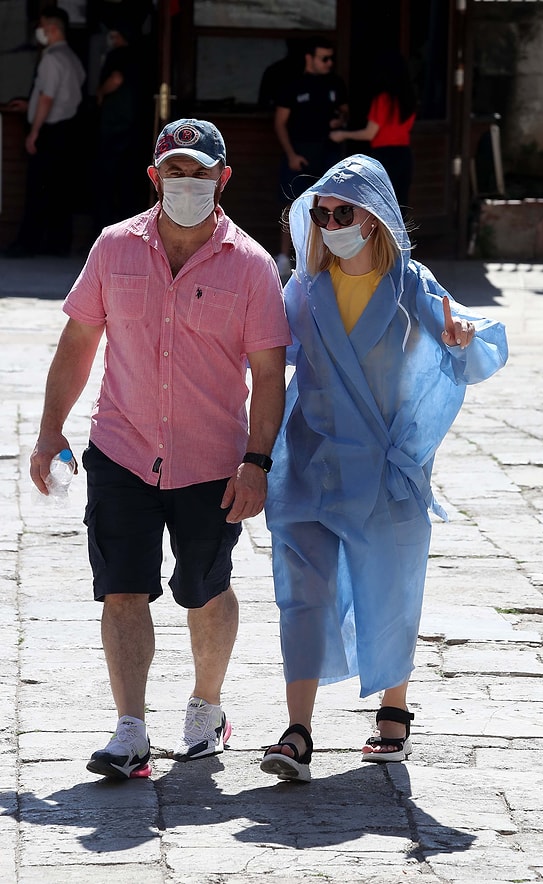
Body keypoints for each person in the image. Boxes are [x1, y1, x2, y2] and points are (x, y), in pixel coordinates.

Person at [30, 118, 291, 780]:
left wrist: (257, 463)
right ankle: (130, 731)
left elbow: (268, 374)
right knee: (122, 590)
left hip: (212, 462)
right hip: (122, 450)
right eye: (174, 170)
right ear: (154, 176)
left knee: (205, 589)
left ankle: (206, 709)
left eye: (200, 171)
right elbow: (79, 343)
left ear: (223, 178)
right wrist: (49, 429)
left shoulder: (255, 267)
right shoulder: (114, 249)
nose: (187, 182)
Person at [260, 154, 508, 783]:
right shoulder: (301, 290)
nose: (332, 222)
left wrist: (462, 339)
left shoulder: (413, 285)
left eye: (344, 211)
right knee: (302, 593)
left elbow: (474, 345)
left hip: (383, 466)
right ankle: (297, 731)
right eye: (322, 212)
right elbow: (260, 356)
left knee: (390, 586)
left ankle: (393, 715)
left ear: (374, 218)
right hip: (308, 459)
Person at [5, 6, 85, 257]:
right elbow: (64, 96)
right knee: (60, 191)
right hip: (68, 131)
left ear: (51, 29)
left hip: (50, 131)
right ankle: (57, 245)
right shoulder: (72, 57)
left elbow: (48, 99)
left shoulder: (51, 58)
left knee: (38, 190)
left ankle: (28, 244)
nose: (38, 32)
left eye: (40, 27)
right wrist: (30, 105)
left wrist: (34, 130)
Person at [273, 37, 348, 280]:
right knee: (291, 203)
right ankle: (284, 257)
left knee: (329, 204)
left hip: (328, 153)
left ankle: (328, 257)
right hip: (299, 152)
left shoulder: (335, 83)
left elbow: (346, 113)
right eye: (324, 58)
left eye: (331, 59)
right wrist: (291, 154)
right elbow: (280, 122)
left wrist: (340, 122)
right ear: (310, 58)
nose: (329, 63)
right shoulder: (293, 85)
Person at [329, 49, 417, 208]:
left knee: (380, 206)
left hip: (385, 156)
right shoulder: (408, 100)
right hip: (404, 155)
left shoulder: (383, 100)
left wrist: (342, 134)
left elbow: (369, 133)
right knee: (400, 206)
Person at [94, 22, 146, 231]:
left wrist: (100, 91)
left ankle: (104, 232)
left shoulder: (119, 55)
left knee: (107, 182)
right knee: (130, 184)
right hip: (135, 128)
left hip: (116, 127)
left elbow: (116, 79)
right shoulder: (143, 57)